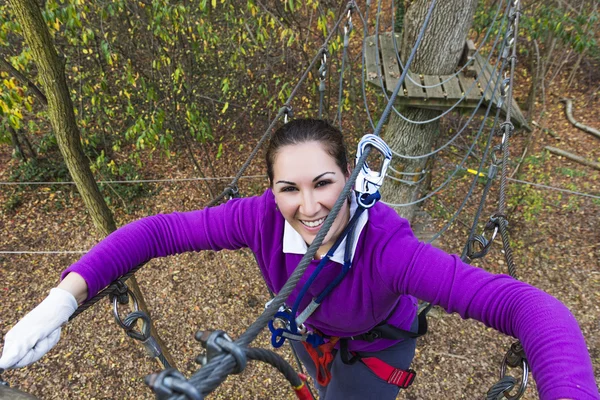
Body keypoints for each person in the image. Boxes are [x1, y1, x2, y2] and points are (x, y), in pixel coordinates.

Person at [0, 119, 597, 399]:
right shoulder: (258, 217)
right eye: (289, 188)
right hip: (308, 333)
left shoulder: (388, 248)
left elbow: (528, 308)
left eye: (324, 183)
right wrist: (61, 301)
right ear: (272, 190)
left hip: (375, 346)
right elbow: (155, 233)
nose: (307, 206)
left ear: (352, 180)